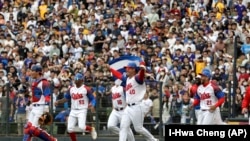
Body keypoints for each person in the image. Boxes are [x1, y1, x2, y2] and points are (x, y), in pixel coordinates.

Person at [110, 62, 158, 141]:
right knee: (123, 127)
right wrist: (110, 69)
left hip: (137, 106)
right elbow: (119, 75)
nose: (126, 70)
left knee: (138, 128)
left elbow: (141, 76)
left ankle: (153, 140)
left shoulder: (137, 78)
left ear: (133, 69)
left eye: (128, 68)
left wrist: (142, 70)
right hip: (128, 108)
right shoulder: (128, 79)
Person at [54, 73, 97, 141]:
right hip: (73, 110)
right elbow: (66, 98)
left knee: (82, 127)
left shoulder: (86, 89)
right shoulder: (71, 89)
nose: (76, 81)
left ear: (82, 80)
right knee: (70, 129)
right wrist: (58, 102)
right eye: (75, 79)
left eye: (78, 79)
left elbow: (92, 98)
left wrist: (92, 104)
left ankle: (91, 129)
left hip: (82, 109)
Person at [23, 65, 52, 140]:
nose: (31, 72)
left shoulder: (44, 82)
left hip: (40, 108)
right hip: (34, 107)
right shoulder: (34, 81)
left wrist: (46, 108)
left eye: (33, 71)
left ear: (38, 72)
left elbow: (47, 96)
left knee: (33, 129)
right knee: (27, 128)